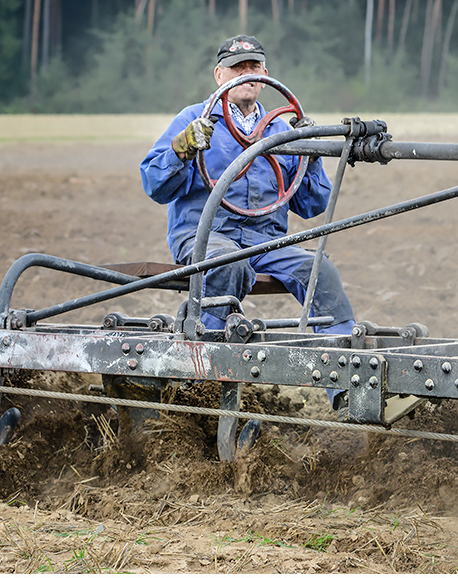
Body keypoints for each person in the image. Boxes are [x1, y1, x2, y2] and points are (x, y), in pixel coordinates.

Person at [140, 36, 355, 403]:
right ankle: (199, 381)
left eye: (254, 67)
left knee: (320, 271)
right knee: (228, 264)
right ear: (219, 74)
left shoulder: (281, 131)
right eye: (238, 67)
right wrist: (182, 147)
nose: (247, 74)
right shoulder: (196, 119)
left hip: (265, 241)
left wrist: (313, 155)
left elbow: (310, 204)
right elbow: (155, 185)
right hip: (205, 235)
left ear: (266, 76)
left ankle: (347, 384)